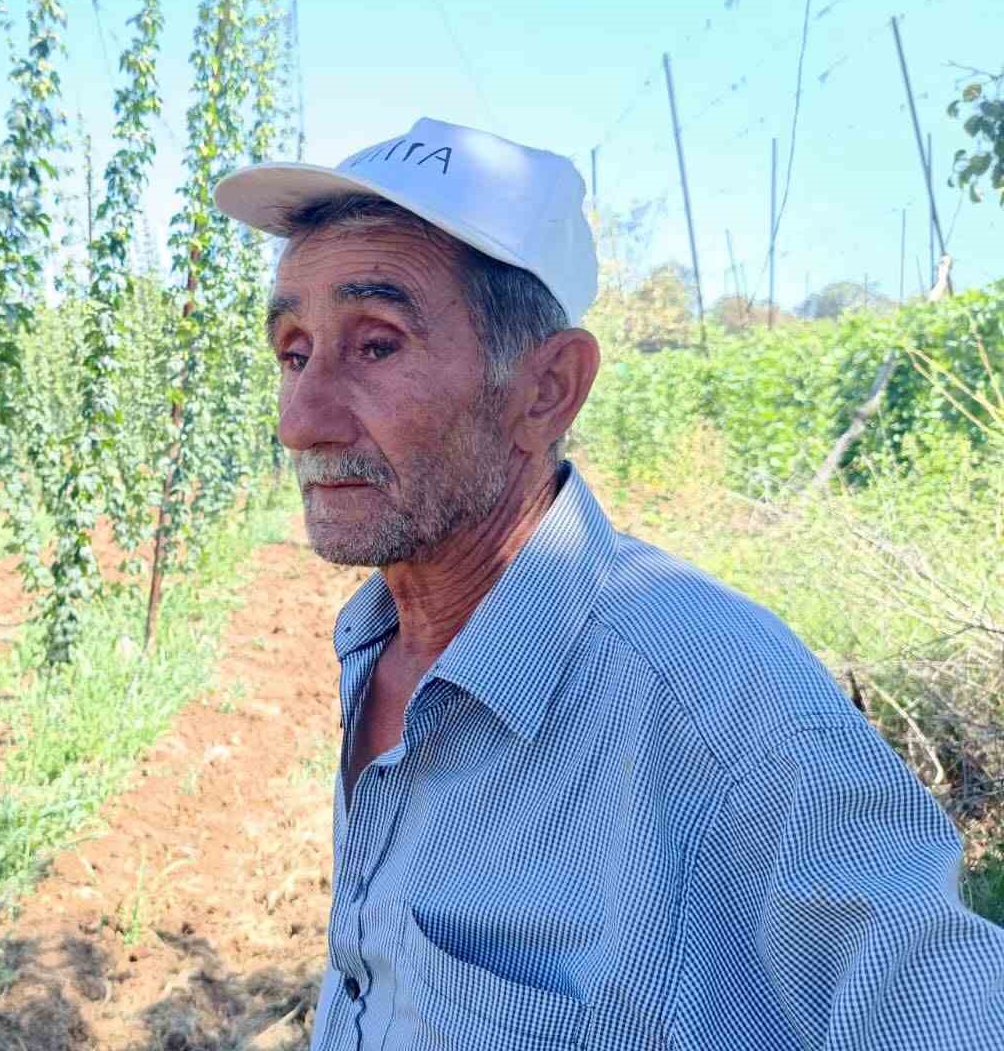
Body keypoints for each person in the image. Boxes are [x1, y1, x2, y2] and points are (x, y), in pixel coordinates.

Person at [212, 116, 1004, 1050]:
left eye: (377, 344)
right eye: (295, 351)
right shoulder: (381, 640)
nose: (299, 421)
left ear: (545, 390)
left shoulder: (727, 719)